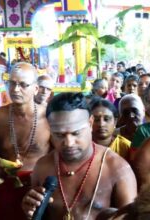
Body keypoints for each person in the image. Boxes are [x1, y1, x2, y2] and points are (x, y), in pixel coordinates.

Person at [22, 92, 137, 220]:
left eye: (76, 133)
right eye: (59, 135)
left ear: (90, 123)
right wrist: (30, 210)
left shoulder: (117, 168)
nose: (69, 143)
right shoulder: (42, 167)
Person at [0, 62, 50, 220]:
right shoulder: (0, 115)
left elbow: (57, 154)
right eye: (12, 83)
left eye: (23, 85)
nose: (15, 89)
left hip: (38, 188)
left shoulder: (48, 116)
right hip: (6, 185)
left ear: (35, 88)